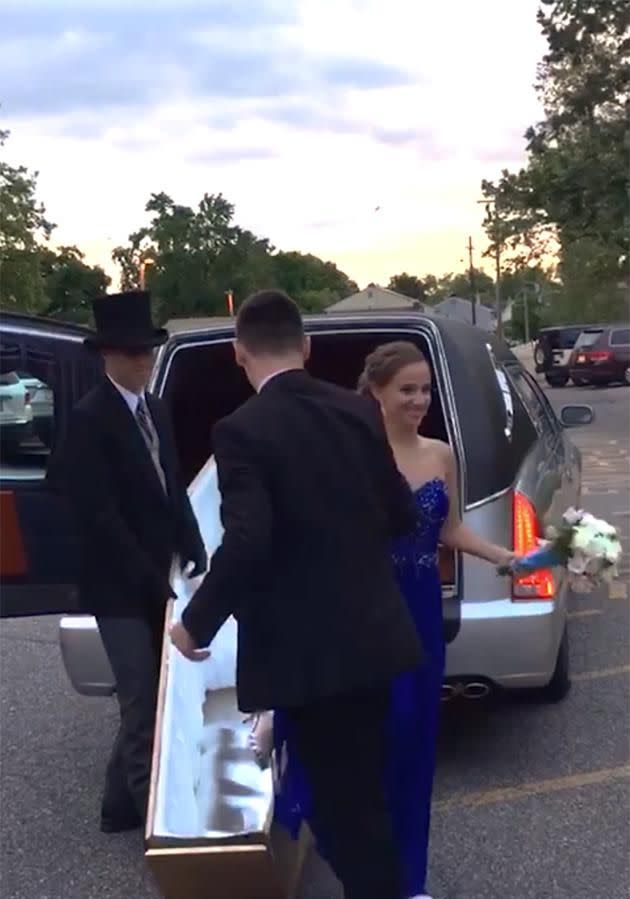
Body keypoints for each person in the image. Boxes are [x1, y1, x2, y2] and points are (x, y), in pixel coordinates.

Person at [170, 290, 423, 899]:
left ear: (239, 353)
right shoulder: (356, 411)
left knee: (343, 816)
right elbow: (400, 514)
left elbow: (251, 540)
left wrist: (194, 624)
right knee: (362, 801)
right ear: (306, 347)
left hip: (308, 660)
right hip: (374, 637)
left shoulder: (240, 431)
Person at [271, 340, 515, 899]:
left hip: (421, 611)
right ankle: (364, 868)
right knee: (365, 747)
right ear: (375, 392)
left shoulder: (440, 455)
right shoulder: (349, 452)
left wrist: (503, 556)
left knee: (413, 747)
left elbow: (449, 530)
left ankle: (409, 881)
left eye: (425, 389)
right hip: (365, 612)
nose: (419, 400)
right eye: (407, 389)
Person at [48, 290, 206, 833]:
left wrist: (193, 543)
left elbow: (173, 487)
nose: (147, 360)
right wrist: (149, 579)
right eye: (136, 353)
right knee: (140, 699)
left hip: (157, 578)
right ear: (108, 356)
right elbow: (100, 518)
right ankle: (151, 819)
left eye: (150, 351)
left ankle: (117, 805)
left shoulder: (156, 409)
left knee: (150, 696)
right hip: (117, 586)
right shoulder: (89, 419)